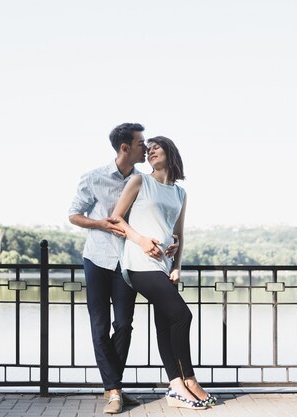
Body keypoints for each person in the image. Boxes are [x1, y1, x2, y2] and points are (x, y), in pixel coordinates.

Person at [68, 123, 177, 414]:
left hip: (127, 261)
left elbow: (156, 218)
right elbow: (74, 215)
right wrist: (99, 223)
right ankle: (114, 389)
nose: (147, 148)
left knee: (124, 325)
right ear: (125, 147)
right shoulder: (94, 177)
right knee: (100, 325)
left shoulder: (144, 181)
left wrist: (171, 240)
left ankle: (113, 386)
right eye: (142, 143)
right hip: (97, 258)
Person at [111, 136, 217, 410]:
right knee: (183, 315)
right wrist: (141, 239)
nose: (150, 152)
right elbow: (116, 217)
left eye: (156, 147)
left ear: (170, 153)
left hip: (164, 267)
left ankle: (176, 388)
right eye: (148, 150)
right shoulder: (140, 182)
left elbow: (178, 234)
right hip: (138, 264)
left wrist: (177, 264)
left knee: (166, 324)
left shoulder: (180, 193)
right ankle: (189, 380)